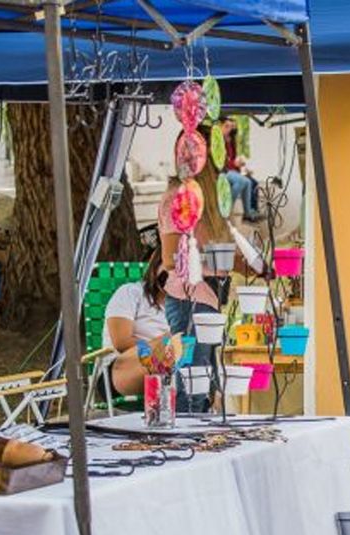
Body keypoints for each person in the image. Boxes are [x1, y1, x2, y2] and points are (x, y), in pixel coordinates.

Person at [159, 127, 242, 412]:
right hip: (188, 299)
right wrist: (211, 257)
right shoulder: (177, 198)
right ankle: (183, 446)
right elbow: (170, 258)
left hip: (210, 297)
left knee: (208, 384)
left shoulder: (214, 200)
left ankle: (199, 444)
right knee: (192, 385)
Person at [99, 250, 170, 397]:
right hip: (119, 371)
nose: (173, 274)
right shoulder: (130, 293)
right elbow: (122, 342)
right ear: (155, 264)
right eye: (169, 267)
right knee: (181, 341)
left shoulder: (181, 307)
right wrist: (166, 344)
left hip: (166, 369)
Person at [219, 117, 259, 221]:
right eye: (227, 126)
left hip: (231, 170)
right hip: (223, 171)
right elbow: (221, 161)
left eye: (231, 127)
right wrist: (235, 164)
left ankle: (248, 213)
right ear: (220, 126)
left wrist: (241, 167)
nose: (230, 129)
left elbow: (232, 160)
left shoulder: (231, 141)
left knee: (249, 182)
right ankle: (227, 209)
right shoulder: (219, 141)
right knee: (243, 181)